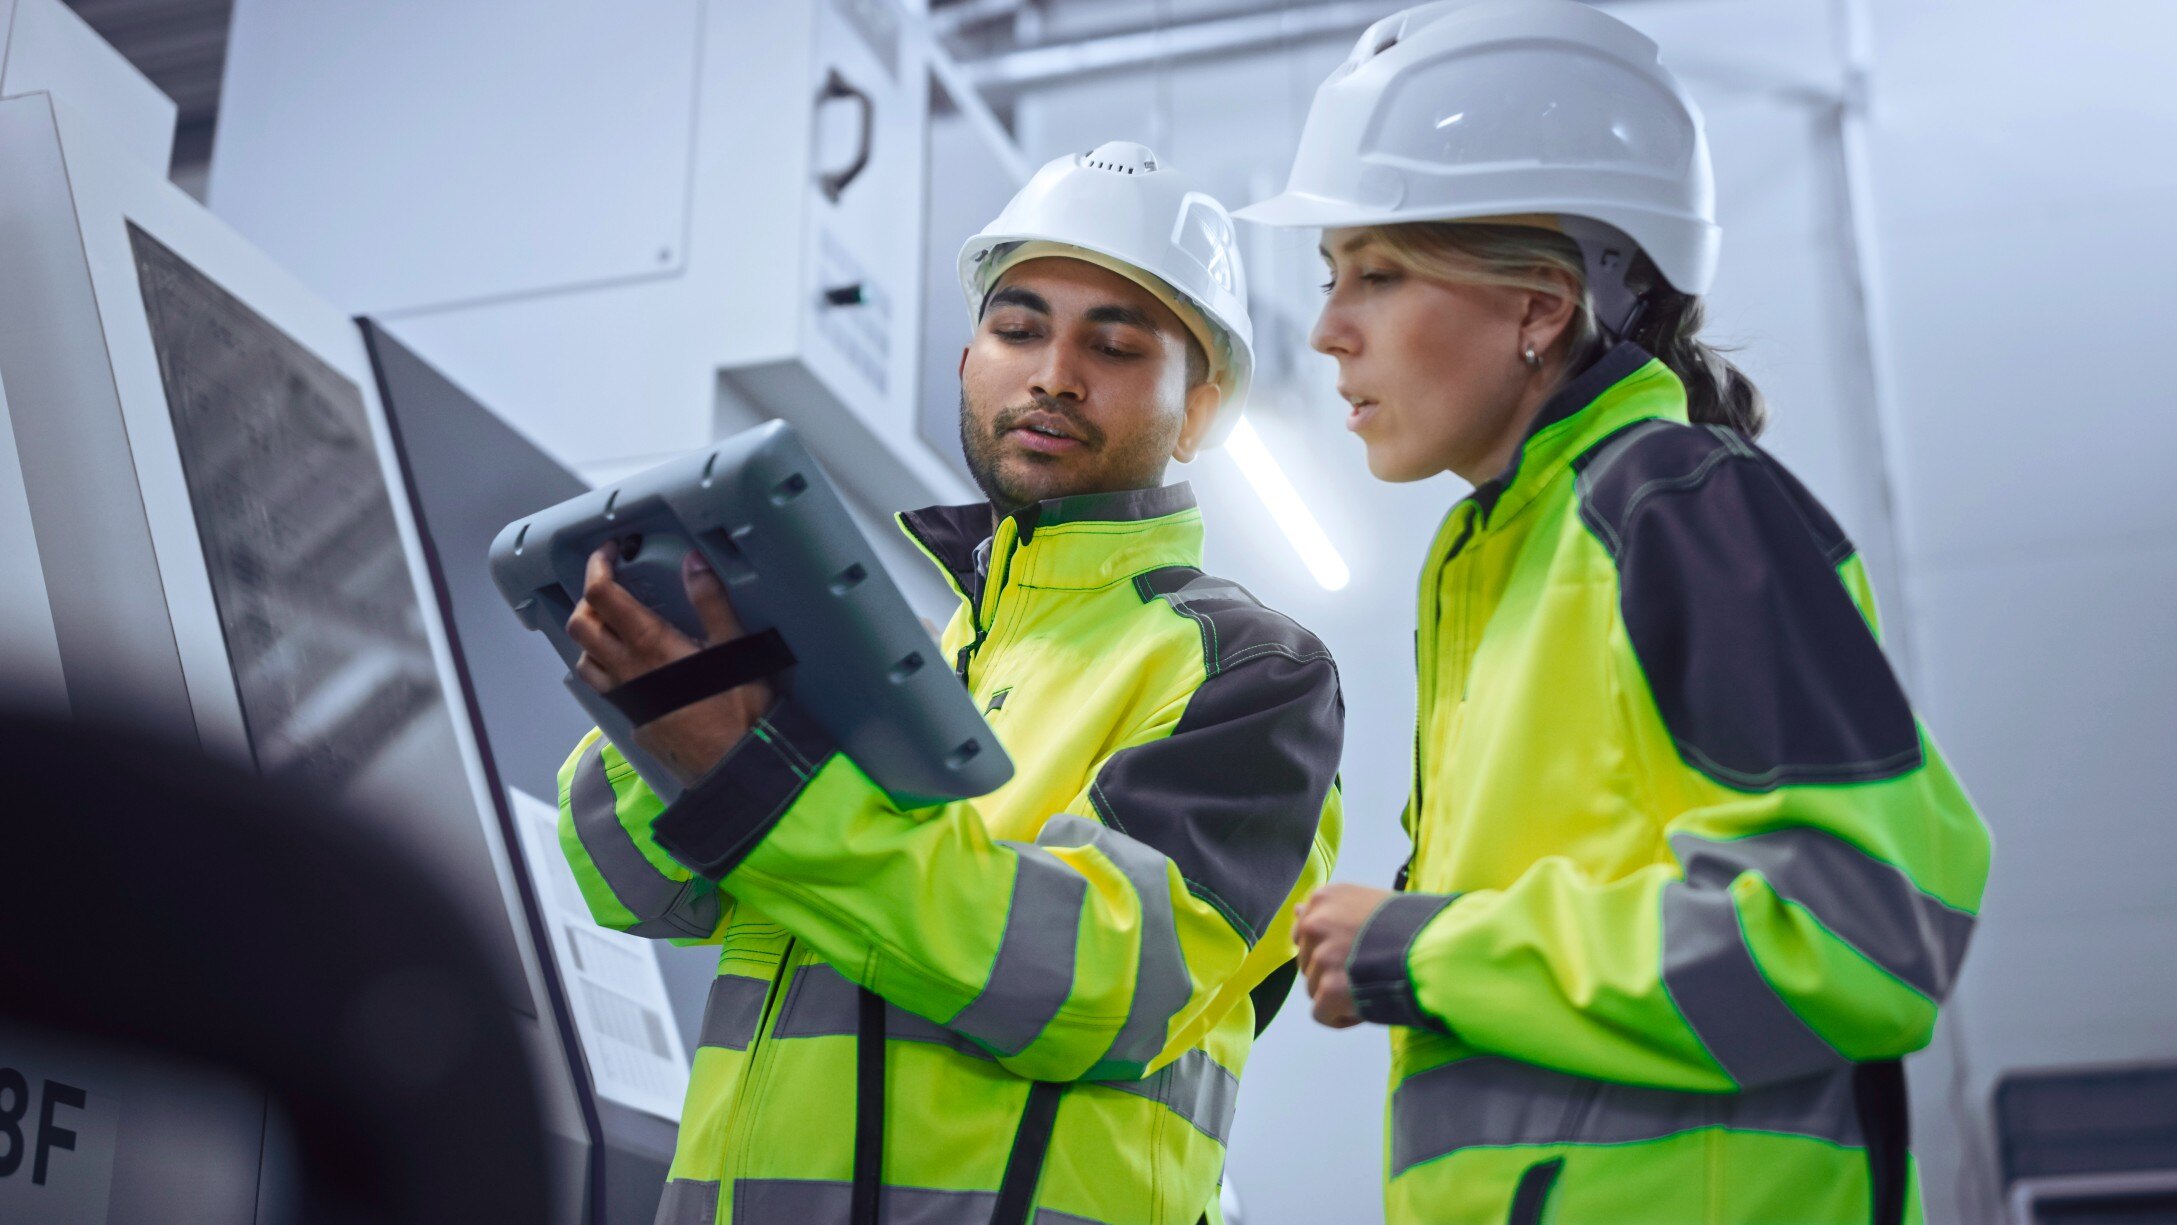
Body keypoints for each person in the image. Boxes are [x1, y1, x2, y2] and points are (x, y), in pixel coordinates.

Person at [1238, 4, 1991, 1224]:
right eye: (1330, 279)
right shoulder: (1505, 556)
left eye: (1375, 273)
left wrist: (1423, 950)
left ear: (1538, 305)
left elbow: (1853, 930)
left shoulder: (1670, 508)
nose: (1324, 329)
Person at [556, 141, 1343, 1225]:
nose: (1052, 373)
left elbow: (1097, 986)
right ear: (968, 359)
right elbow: (620, 883)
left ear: (1197, 412)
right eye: (1018, 330)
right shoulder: (909, 656)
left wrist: (756, 774)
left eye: (1112, 345)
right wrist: (667, 711)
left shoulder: (1247, 670)